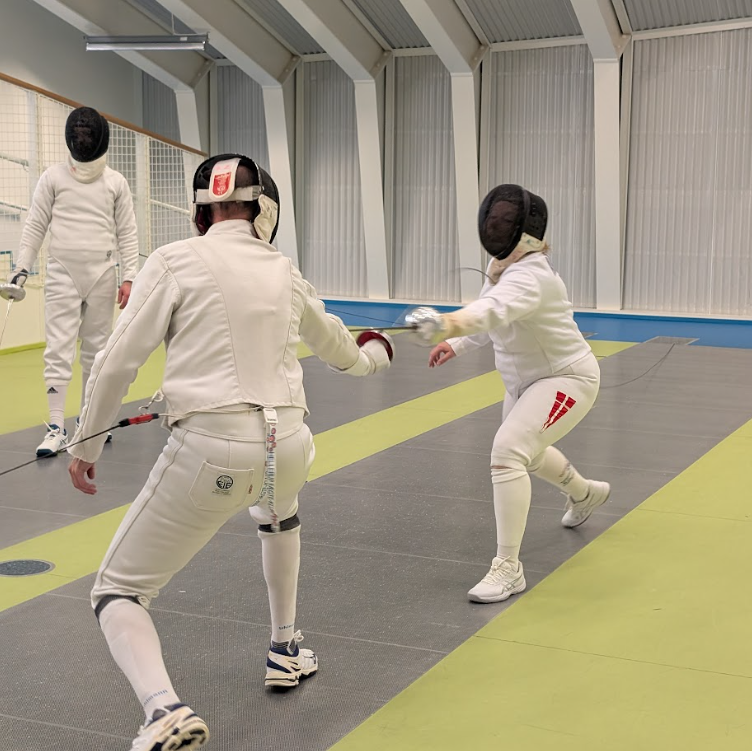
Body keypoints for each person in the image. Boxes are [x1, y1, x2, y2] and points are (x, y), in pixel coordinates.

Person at [67, 154, 394, 751]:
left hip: (212, 452)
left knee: (117, 592)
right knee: (278, 511)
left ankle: (163, 710)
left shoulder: (173, 260)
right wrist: (379, 351)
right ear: (264, 210)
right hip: (288, 448)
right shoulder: (285, 271)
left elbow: (116, 361)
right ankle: (285, 646)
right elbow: (345, 354)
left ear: (202, 212)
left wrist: (86, 443)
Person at [408, 184, 610, 604]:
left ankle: (508, 567)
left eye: (504, 220)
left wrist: (446, 324)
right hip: (524, 383)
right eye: (493, 219)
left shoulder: (530, 275)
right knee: (528, 455)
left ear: (524, 230)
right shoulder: (501, 266)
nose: (495, 226)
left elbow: (492, 310)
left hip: (566, 379)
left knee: (508, 451)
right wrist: (456, 343)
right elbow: (493, 314)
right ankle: (585, 492)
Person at [9, 106, 139, 457]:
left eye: (87, 133)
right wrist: (21, 268)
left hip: (102, 275)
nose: (82, 137)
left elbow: (127, 232)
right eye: (78, 132)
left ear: (99, 138)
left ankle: (89, 423)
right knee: (58, 349)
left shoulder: (115, 182)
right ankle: (56, 427)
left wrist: (130, 276)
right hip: (62, 273)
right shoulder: (52, 178)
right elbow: (35, 224)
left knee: (97, 352)